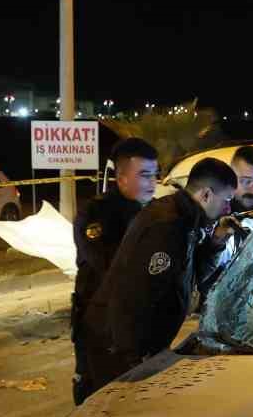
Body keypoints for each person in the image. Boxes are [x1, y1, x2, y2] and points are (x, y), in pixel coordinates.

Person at [81, 157, 238, 397]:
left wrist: (216, 241)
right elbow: (137, 295)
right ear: (206, 195)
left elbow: (193, 274)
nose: (228, 208)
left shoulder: (184, 219)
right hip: (119, 349)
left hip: (134, 345)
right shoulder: (168, 226)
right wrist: (136, 356)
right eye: (226, 200)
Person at [71, 137, 159, 404]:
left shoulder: (152, 213)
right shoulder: (97, 214)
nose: (152, 182)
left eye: (155, 175)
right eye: (144, 175)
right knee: (97, 397)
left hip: (137, 322)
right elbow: (110, 267)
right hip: (101, 322)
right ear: (121, 177)